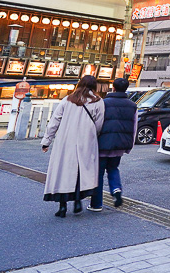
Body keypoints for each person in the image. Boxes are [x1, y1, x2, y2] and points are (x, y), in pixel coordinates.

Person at [40, 75, 104, 217]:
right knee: (82, 171)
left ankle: (62, 207)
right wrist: (94, 135)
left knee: (63, 171)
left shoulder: (67, 99)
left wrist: (46, 141)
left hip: (65, 140)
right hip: (87, 140)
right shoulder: (98, 101)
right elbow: (99, 124)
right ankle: (77, 202)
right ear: (95, 86)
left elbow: (54, 121)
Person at [89, 77, 138, 212]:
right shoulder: (133, 105)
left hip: (102, 145)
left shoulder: (103, 103)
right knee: (113, 169)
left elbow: (97, 123)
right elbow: (134, 127)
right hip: (120, 146)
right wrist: (129, 146)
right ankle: (116, 190)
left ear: (113, 87)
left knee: (98, 174)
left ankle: (96, 204)